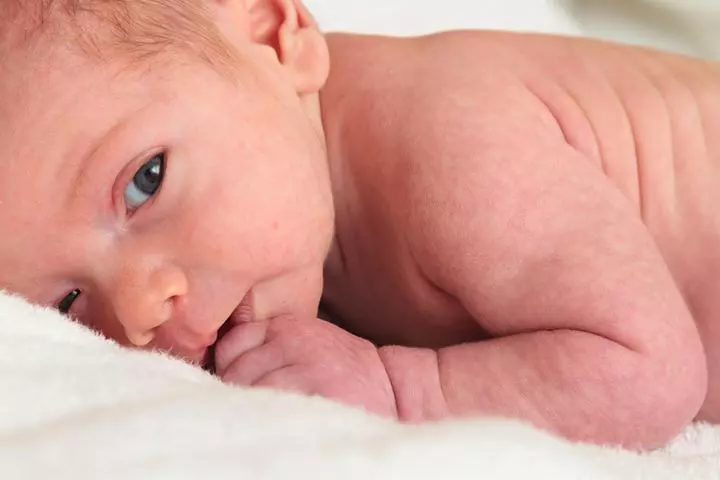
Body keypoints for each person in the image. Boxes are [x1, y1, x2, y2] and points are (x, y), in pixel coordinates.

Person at [0, 0, 717, 449]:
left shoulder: (444, 145)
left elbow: (650, 373)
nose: (136, 310)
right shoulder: (302, 254)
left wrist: (405, 388)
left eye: (145, 181)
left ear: (277, 37)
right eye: (69, 304)